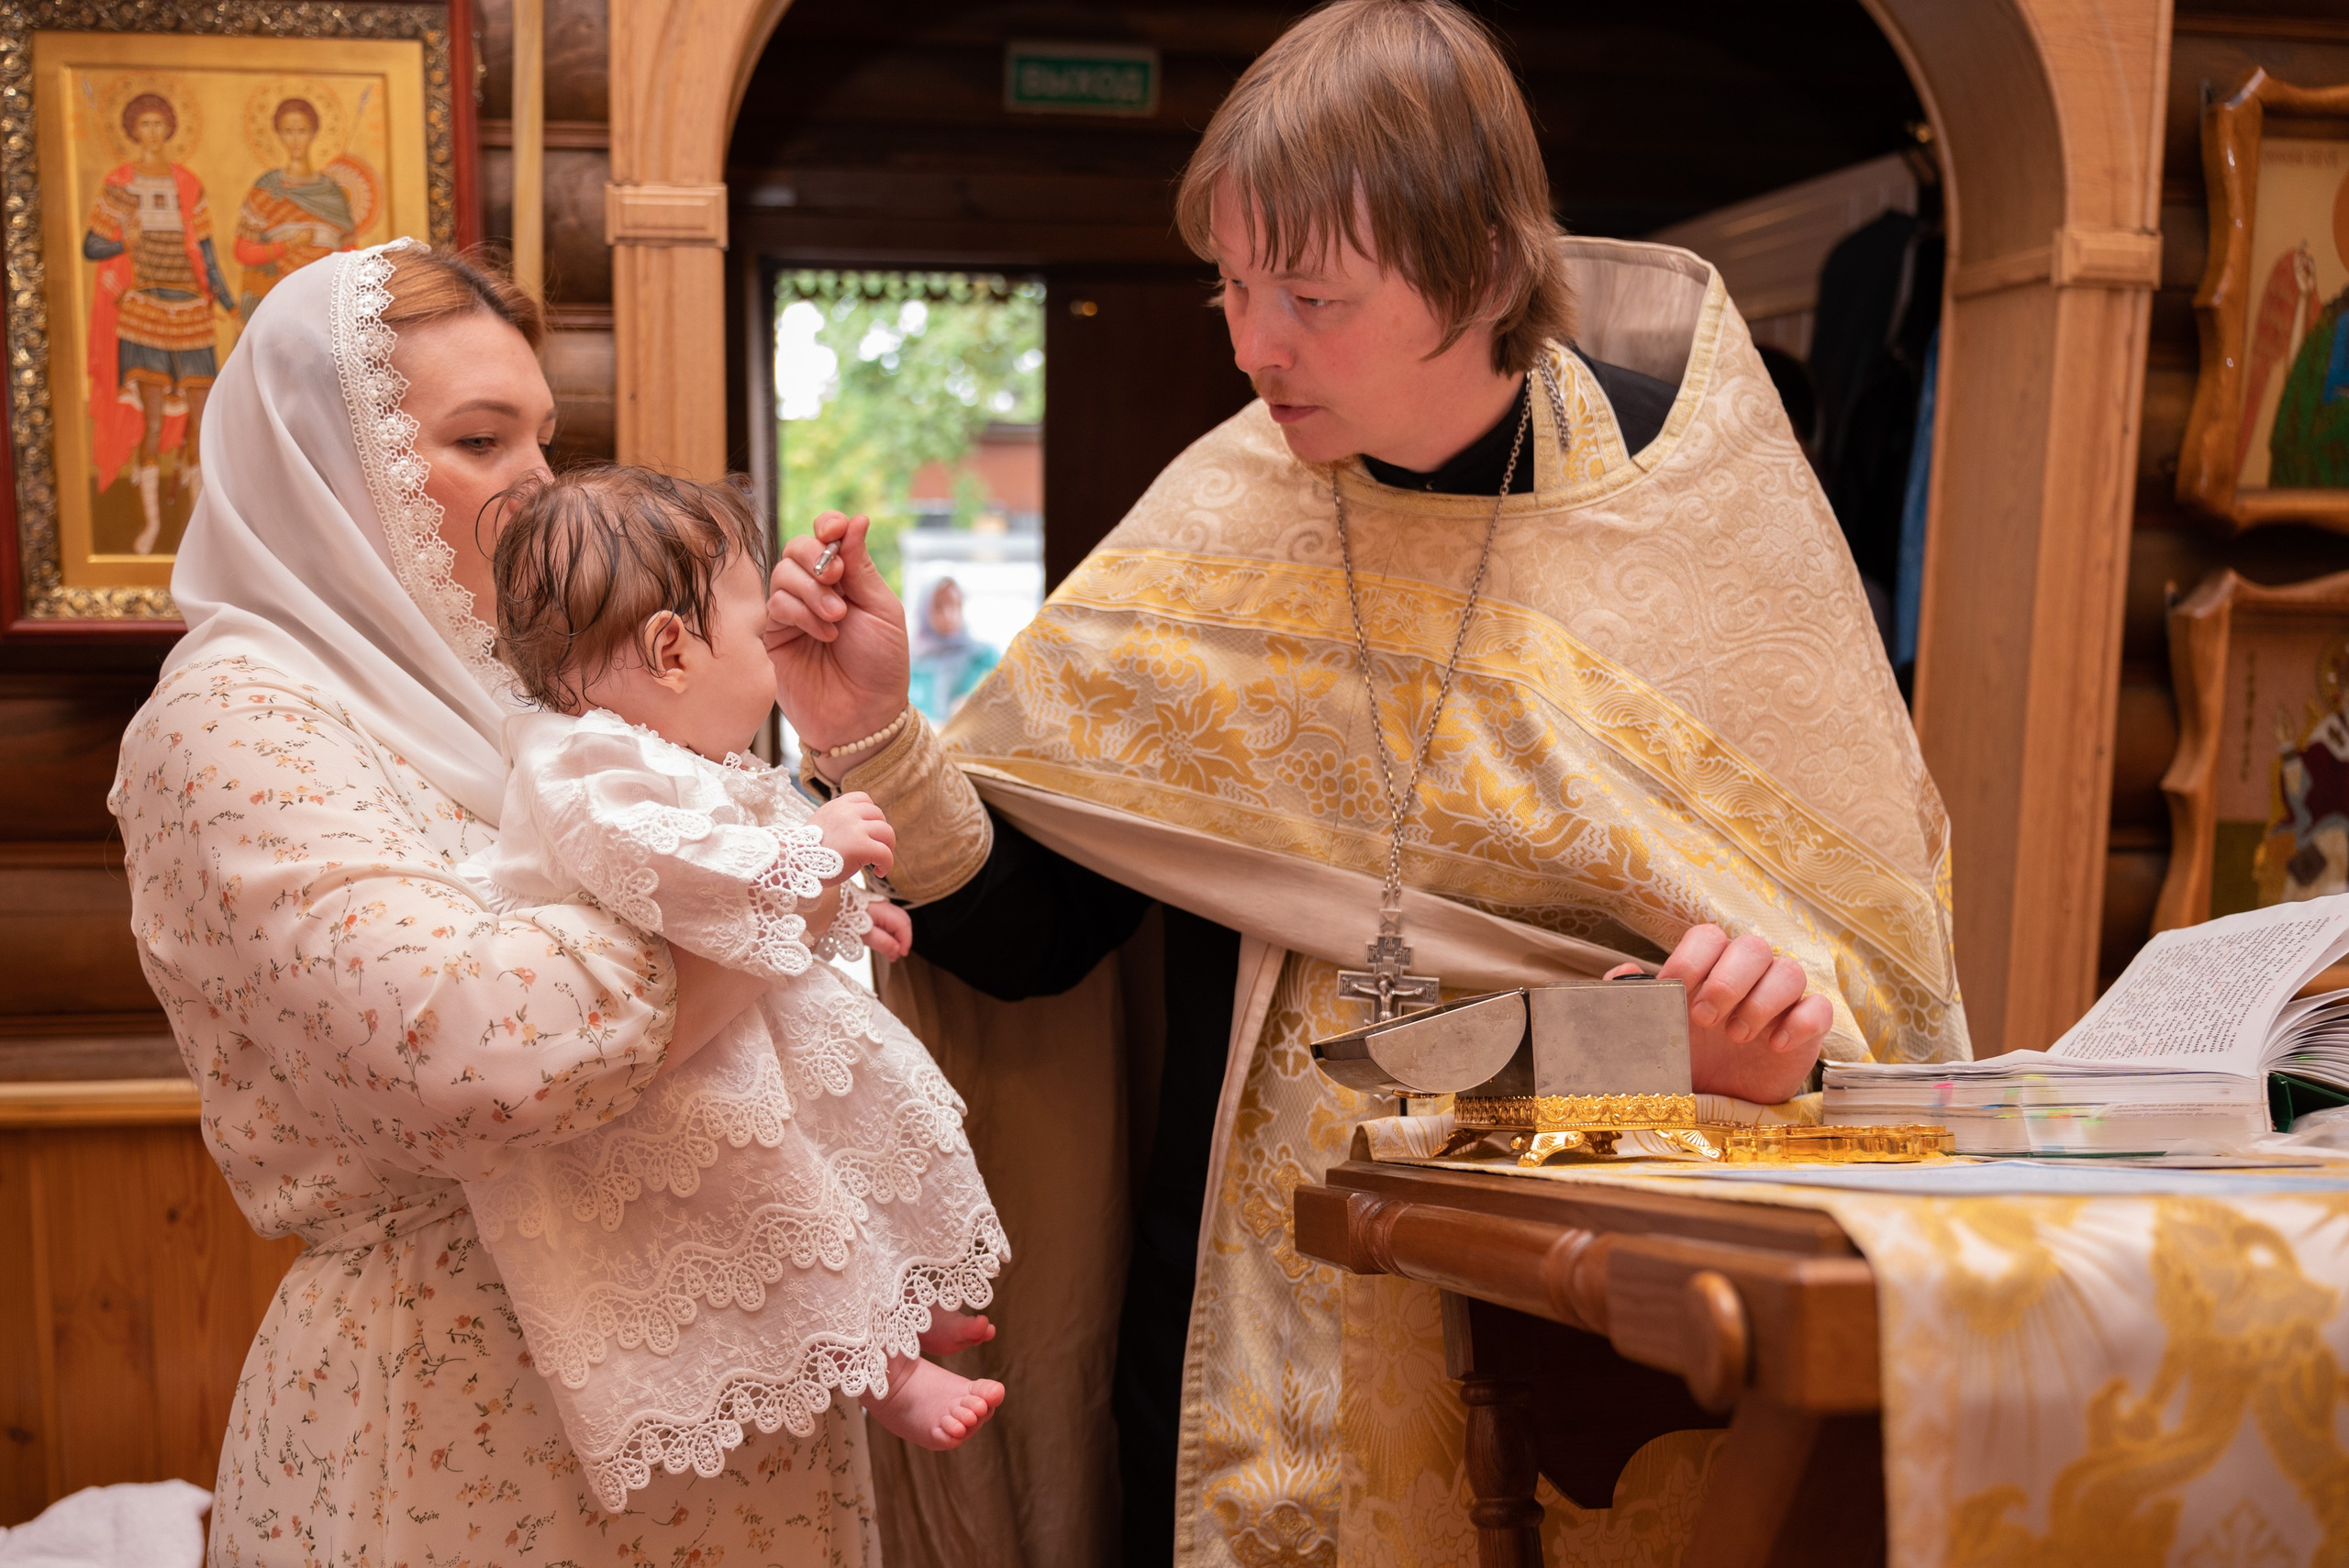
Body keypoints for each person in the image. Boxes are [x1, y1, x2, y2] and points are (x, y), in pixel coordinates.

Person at [763, 3, 1971, 1564]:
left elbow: (1870, 974)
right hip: (1225, 1321)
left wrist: (1764, 1047)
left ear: (1474, 270)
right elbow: (1034, 940)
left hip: (1580, 1333)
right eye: (1235, 287)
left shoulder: (1690, 510)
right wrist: (870, 732)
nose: (1257, 342)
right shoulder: (1221, 513)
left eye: (1312, 295)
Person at [109, 241, 918, 1563]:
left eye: (546, 438)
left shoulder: (525, 701)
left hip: (712, 1388)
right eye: (482, 439)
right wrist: (770, 914)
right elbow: (477, 1044)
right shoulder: (234, 719)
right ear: (329, 465)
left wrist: (811, 740)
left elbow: (778, 902)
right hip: (465, 1430)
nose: (540, 486)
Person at [453, 465, 1008, 1511]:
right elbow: (662, 863)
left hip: (733, 1021)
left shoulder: (666, 749)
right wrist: (814, 851)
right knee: (779, 1196)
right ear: (671, 649)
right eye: (759, 629)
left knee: (864, 1120)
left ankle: (905, 1296)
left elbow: (738, 865)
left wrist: (843, 906)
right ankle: (884, 1372)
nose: (776, 650)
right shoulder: (581, 760)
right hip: (674, 1073)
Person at [83, 92, 236, 554]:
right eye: (143, 124)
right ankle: (151, 525)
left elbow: (207, 254)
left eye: (158, 124)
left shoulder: (188, 183)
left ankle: (195, 531)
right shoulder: (119, 183)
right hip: (145, 309)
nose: (152, 132)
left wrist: (229, 306)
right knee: (151, 422)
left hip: (191, 310)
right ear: (133, 129)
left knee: (198, 422)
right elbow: (91, 246)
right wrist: (122, 244)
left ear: (169, 128)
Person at [233, 97, 366, 320]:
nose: (295, 140)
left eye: (302, 131)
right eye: (288, 131)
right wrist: (289, 245)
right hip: (277, 300)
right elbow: (243, 251)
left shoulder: (331, 192)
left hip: (324, 302)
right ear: (279, 134)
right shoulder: (266, 189)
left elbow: (349, 251)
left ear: (314, 133)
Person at [907, 577, 997, 723]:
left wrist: (972, 705)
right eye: (939, 607)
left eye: (955, 605)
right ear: (924, 610)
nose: (949, 615)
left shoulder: (984, 656)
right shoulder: (910, 663)